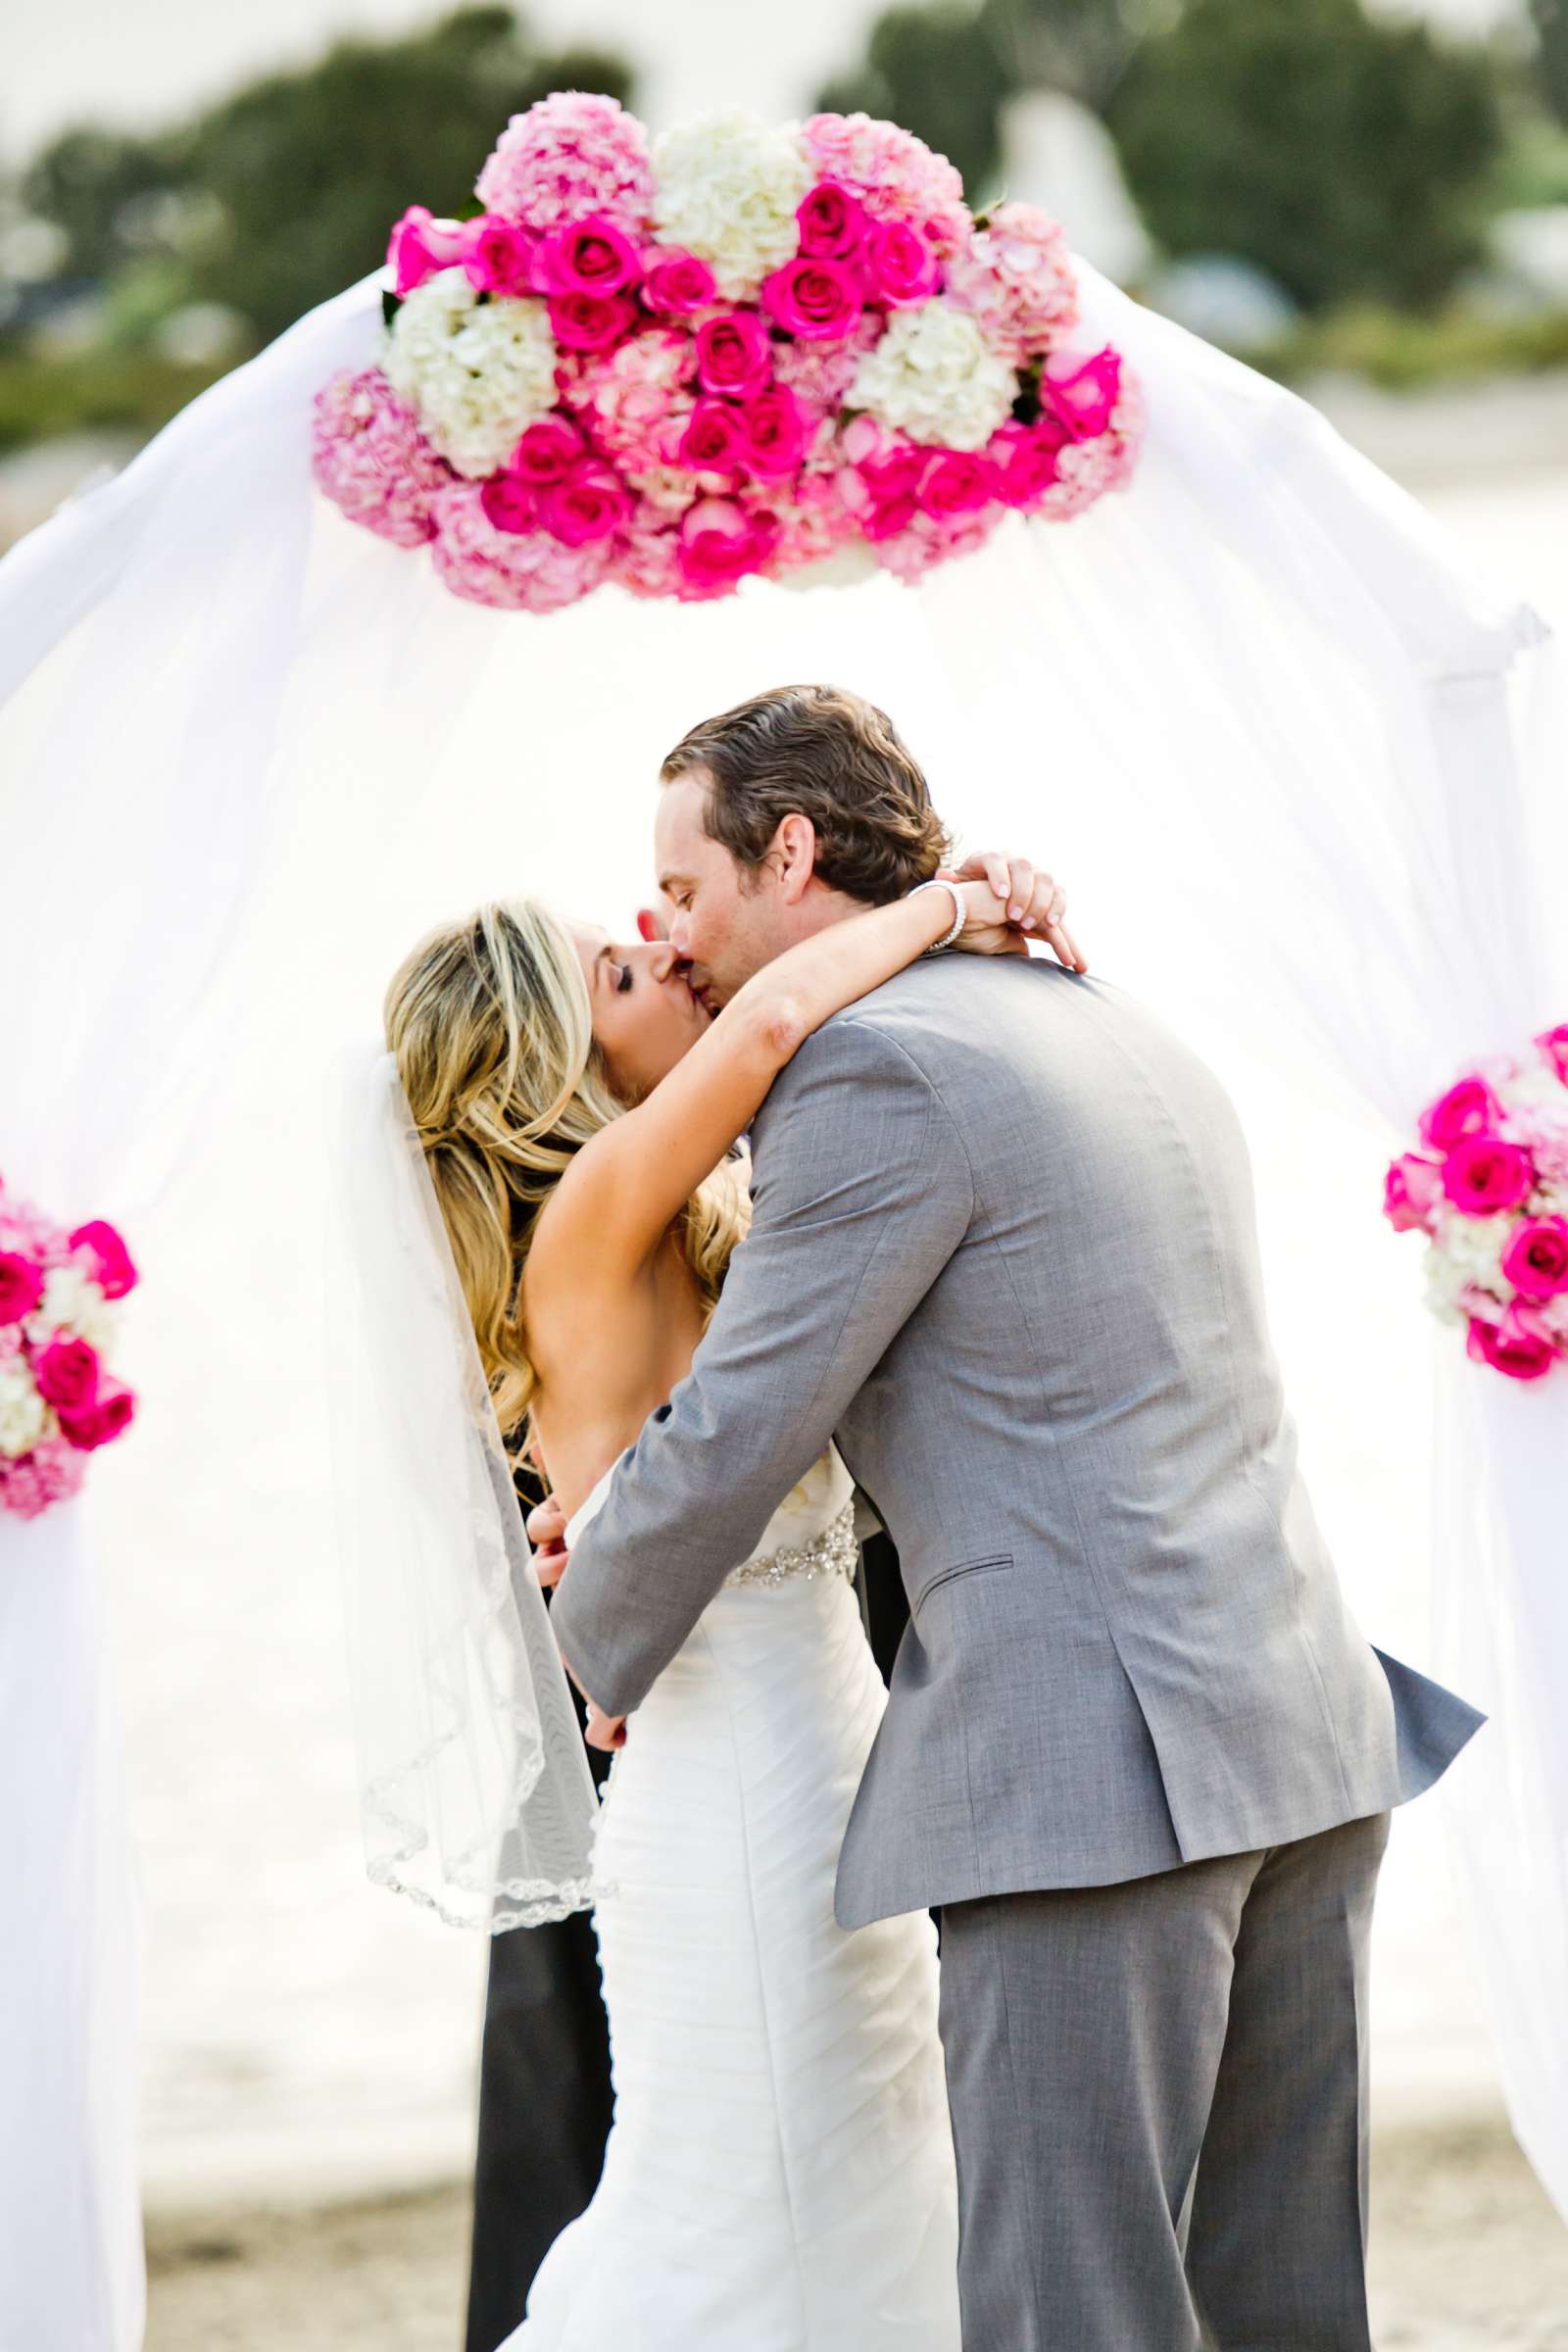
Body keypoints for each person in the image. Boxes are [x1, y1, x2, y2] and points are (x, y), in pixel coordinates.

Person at [544, 683, 1487, 2352]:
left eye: (682, 891)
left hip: (1098, 1786)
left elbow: (743, 1422)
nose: (664, 931)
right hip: (1300, 1718)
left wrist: (584, 1635)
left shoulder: (876, 1073)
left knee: (1072, 2313)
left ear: (790, 849)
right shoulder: (1097, 1008)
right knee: (1285, 2309)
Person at [383, 809, 1079, 2349]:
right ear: (554, 1061)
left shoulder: (680, 1231)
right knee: (758, 2203)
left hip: (827, 1758)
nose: (664, 954)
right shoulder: (587, 1225)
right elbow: (773, 1014)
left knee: (872, 2172)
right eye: (622, 969)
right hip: (736, 1809)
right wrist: (952, 905)